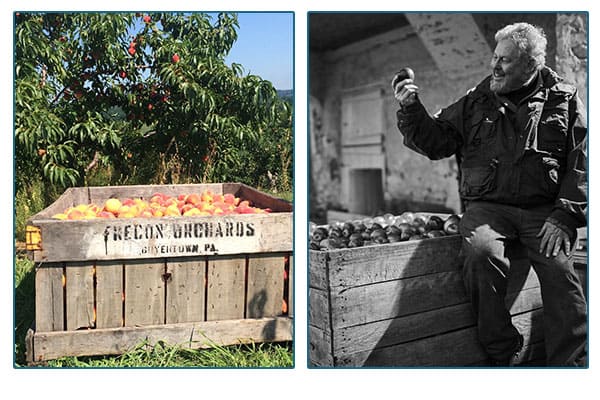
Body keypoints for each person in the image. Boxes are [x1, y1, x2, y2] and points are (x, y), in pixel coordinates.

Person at [392, 22, 587, 366]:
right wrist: (411, 109)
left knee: (561, 274)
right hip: (488, 208)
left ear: (531, 66)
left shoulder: (564, 98)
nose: (494, 66)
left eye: (506, 60)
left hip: (545, 211)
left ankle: (568, 367)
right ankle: (504, 351)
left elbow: (582, 160)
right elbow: (438, 140)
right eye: (495, 57)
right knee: (480, 253)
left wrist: (566, 215)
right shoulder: (475, 100)